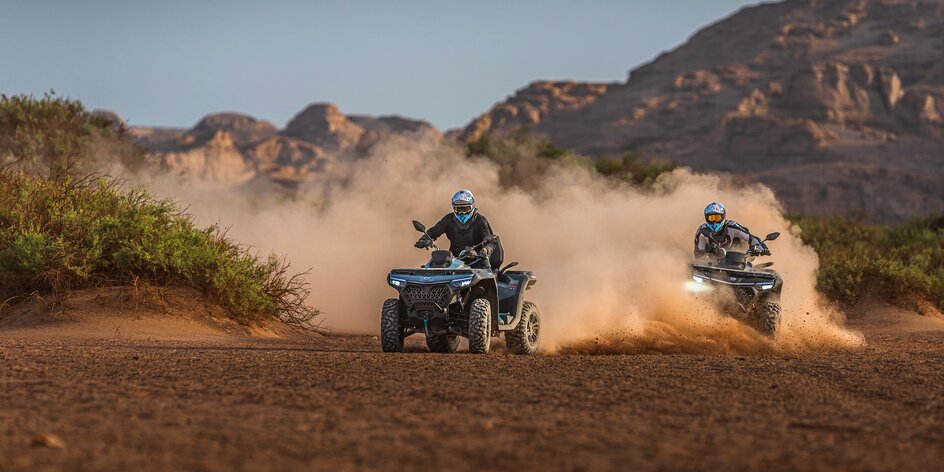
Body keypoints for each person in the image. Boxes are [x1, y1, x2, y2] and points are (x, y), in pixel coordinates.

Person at [415, 189, 504, 269]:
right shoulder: (448, 219)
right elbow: (433, 232)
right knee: (430, 269)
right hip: (453, 261)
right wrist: (424, 239)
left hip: (477, 261)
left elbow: (491, 241)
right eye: (458, 208)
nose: (461, 212)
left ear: (472, 206)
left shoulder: (480, 220)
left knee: (484, 276)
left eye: (465, 208)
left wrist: (484, 251)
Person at [694, 202, 770, 260]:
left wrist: (762, 249)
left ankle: (748, 266)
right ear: (706, 218)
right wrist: (709, 250)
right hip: (712, 264)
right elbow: (698, 256)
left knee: (747, 245)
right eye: (711, 218)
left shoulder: (732, 226)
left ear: (723, 216)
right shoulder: (702, 232)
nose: (714, 221)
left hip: (738, 260)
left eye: (717, 217)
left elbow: (750, 238)